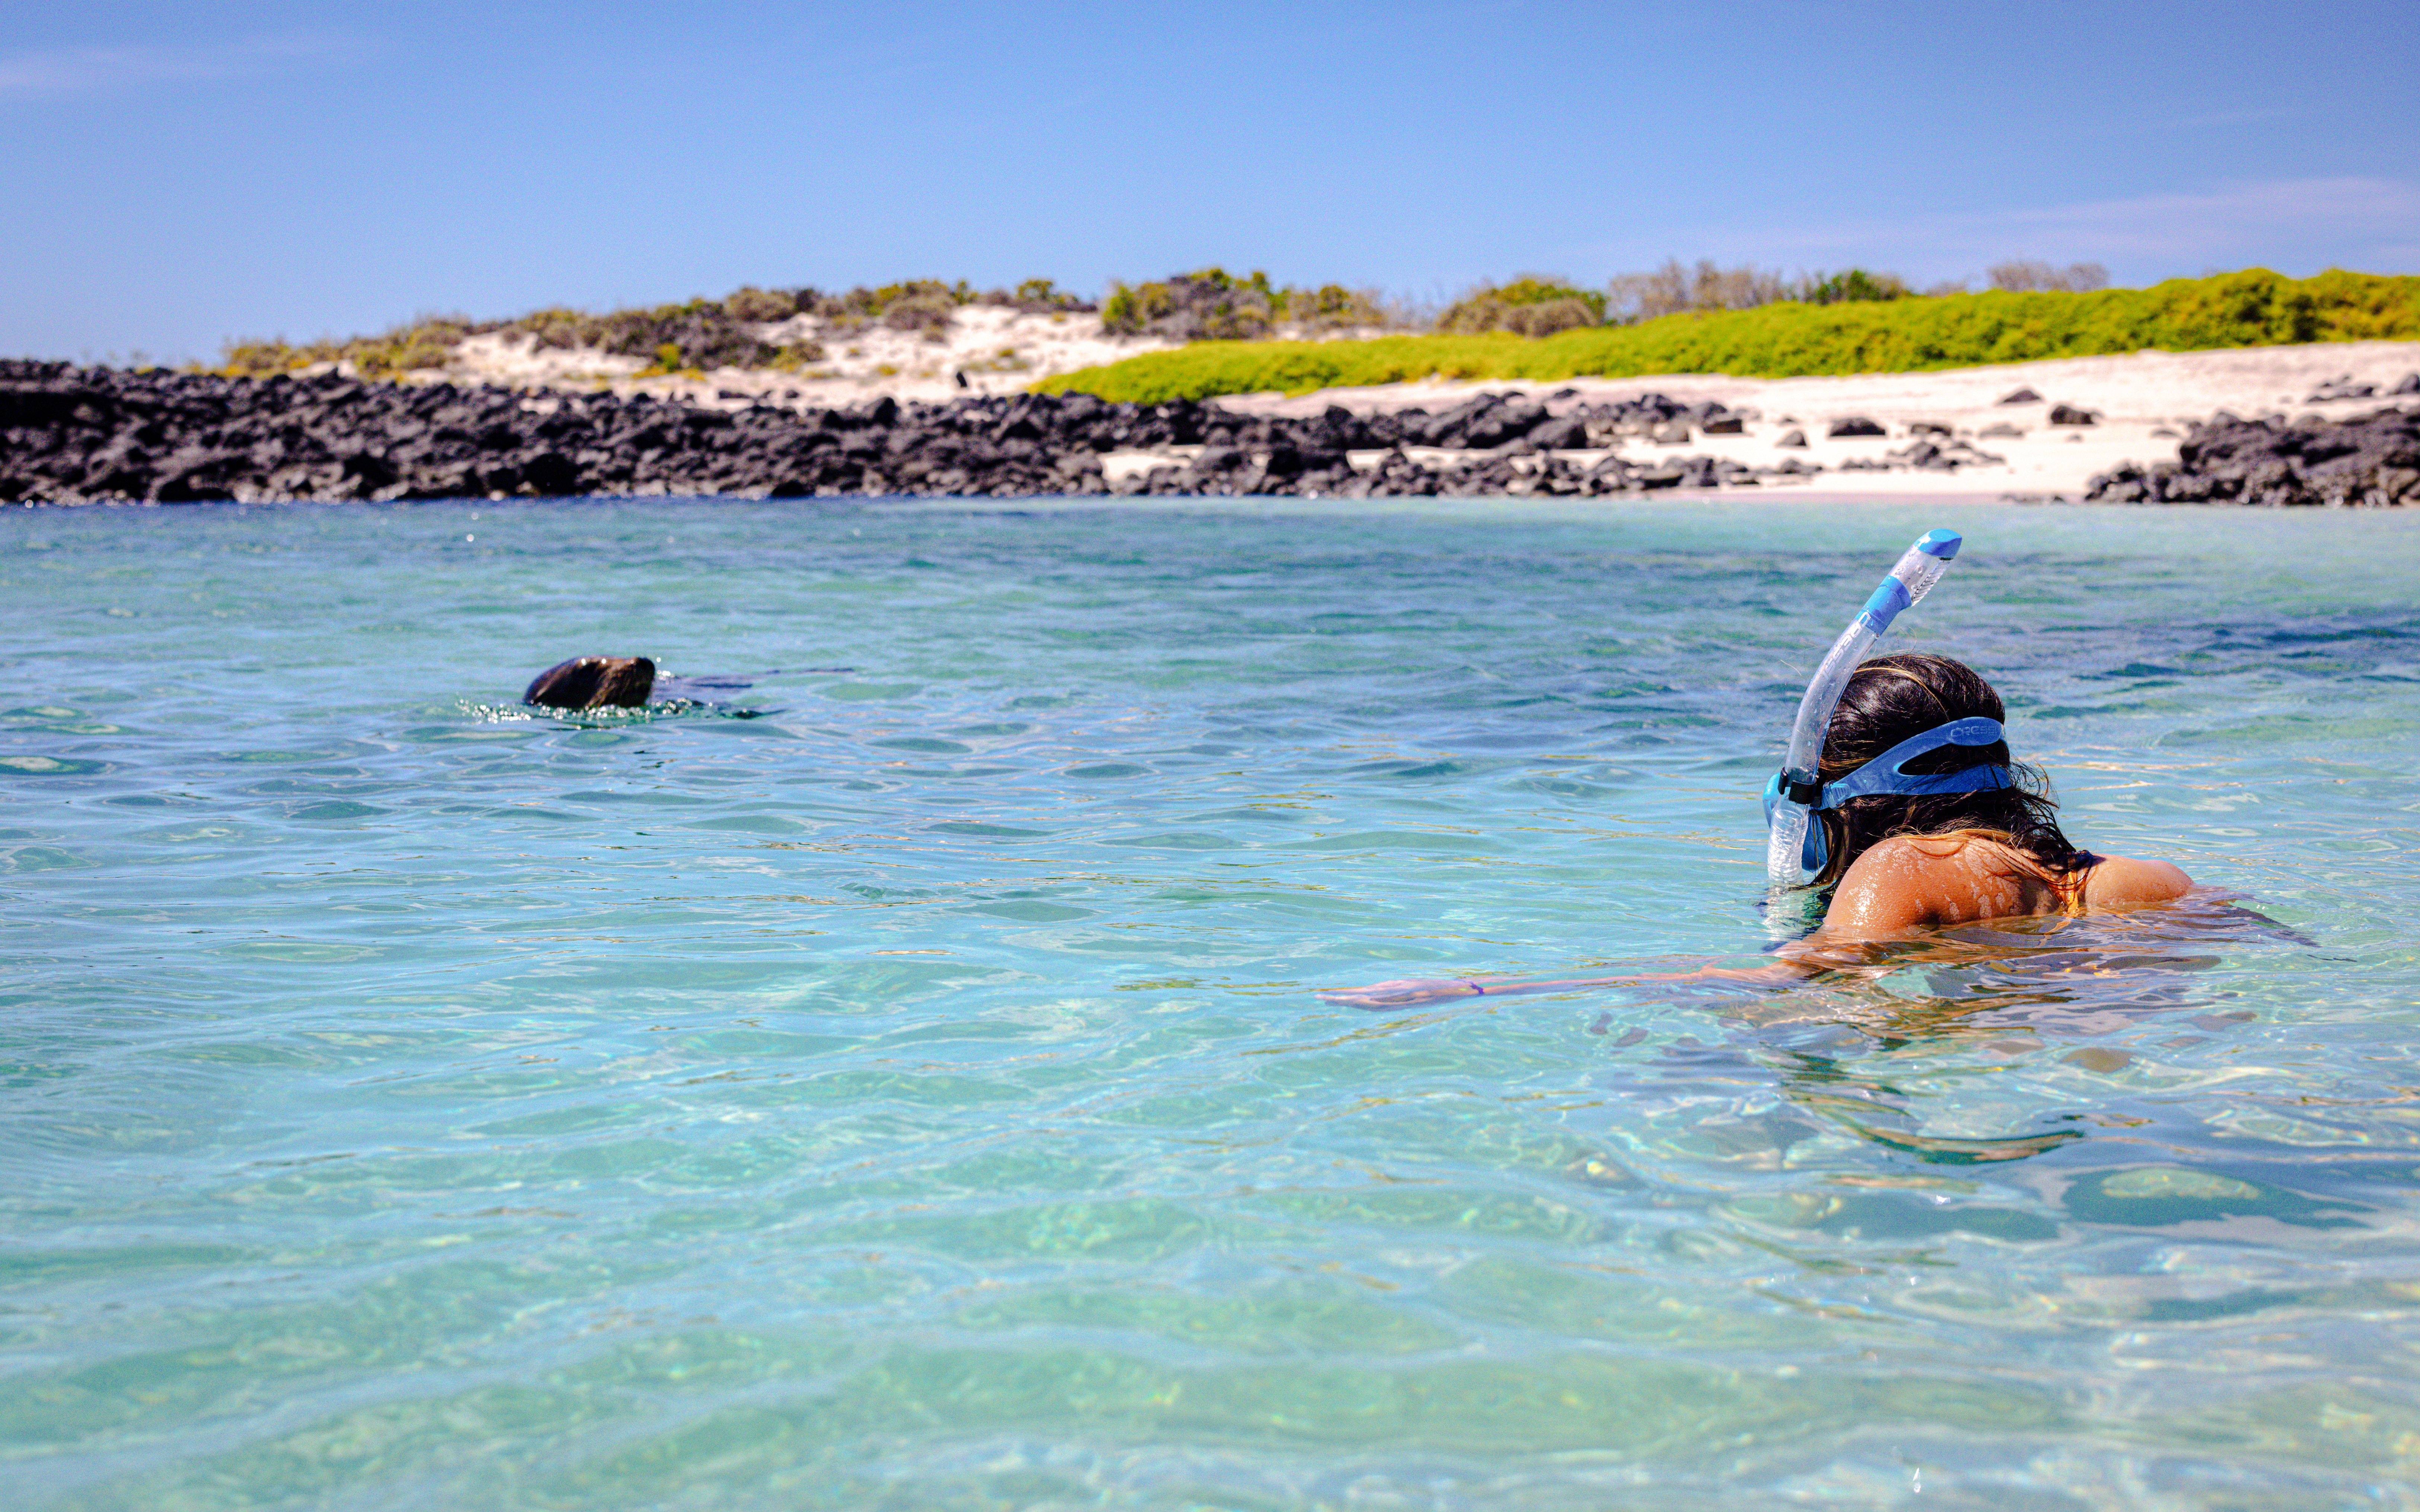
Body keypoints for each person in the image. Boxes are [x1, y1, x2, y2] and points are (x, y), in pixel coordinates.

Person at [1324, 652, 2192, 1008]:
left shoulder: (1902, 869)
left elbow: (1785, 991)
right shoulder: (2140, 882)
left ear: (1849, 802)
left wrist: (1489, 991)